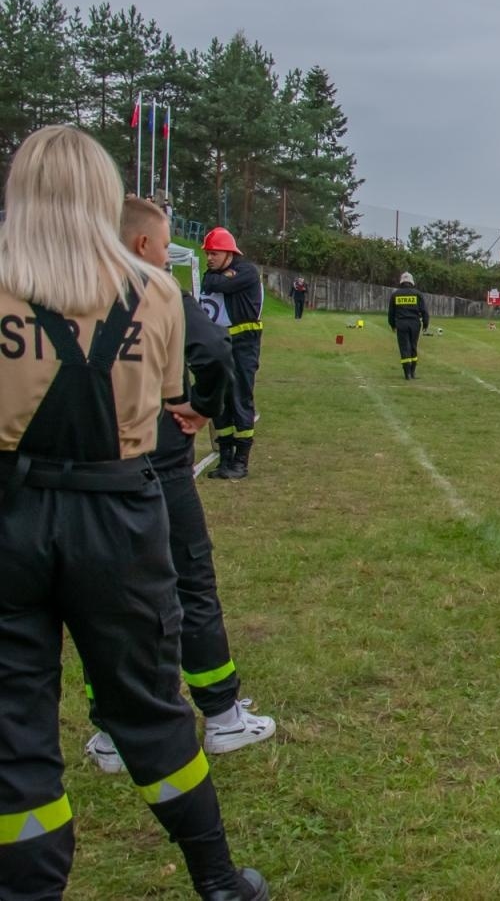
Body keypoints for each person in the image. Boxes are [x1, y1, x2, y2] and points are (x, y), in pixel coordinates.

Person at [0, 126, 267, 900]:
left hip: (12, 508)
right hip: (118, 510)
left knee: (16, 730)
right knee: (149, 707)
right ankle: (217, 878)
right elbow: (179, 393)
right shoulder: (156, 293)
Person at [81, 197, 277, 777]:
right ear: (143, 245)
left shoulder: (66, 289)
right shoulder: (160, 291)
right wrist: (197, 407)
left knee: (105, 600)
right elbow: (213, 351)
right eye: (166, 244)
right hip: (158, 462)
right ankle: (220, 716)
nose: (170, 254)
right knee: (190, 582)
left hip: (90, 467)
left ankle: (114, 734)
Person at [199, 227, 262, 480]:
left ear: (228, 253)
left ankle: (240, 461)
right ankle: (225, 457)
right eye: (208, 255)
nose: (209, 259)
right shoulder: (217, 272)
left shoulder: (247, 271)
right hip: (222, 343)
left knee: (240, 399)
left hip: (244, 344)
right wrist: (218, 277)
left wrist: (221, 279)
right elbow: (209, 281)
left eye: (214, 253)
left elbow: (220, 284)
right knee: (221, 401)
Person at [387, 271, 430, 380]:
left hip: (401, 324)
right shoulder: (418, 294)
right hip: (415, 324)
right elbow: (424, 311)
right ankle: (413, 372)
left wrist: (392, 325)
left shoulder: (395, 294)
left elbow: (391, 312)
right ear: (411, 282)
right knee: (413, 346)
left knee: (404, 347)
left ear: (401, 282)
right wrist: (425, 323)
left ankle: (407, 374)